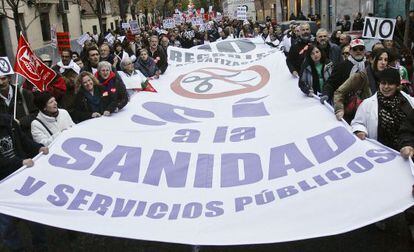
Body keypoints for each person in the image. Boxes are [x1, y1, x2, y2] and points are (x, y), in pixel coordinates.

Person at [0, 113, 49, 252]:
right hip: (2, 185)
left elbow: (23, 140)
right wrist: (20, 162)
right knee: (6, 225)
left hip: (21, 177)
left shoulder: (8, 121)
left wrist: (38, 148)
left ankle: (41, 246)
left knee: (33, 216)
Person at [351, 68, 414, 148]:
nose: (386, 87)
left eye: (390, 84)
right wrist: (360, 131)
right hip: (381, 154)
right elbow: (357, 123)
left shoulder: (408, 100)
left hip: (407, 154)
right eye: (383, 83)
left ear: (397, 85)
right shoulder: (367, 104)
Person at [333, 48, 389, 123]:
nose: (383, 62)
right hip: (358, 120)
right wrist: (339, 109)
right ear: (371, 59)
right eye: (380, 59)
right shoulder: (360, 76)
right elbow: (339, 92)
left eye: (385, 60)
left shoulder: (387, 77)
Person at [321, 39, 367, 104]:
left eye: (361, 49)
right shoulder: (341, 66)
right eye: (355, 49)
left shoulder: (369, 65)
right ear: (350, 51)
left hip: (366, 102)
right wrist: (326, 94)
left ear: (364, 50)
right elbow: (330, 83)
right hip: (346, 103)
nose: (358, 51)